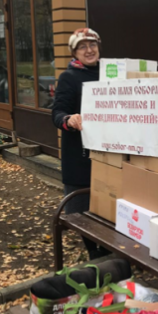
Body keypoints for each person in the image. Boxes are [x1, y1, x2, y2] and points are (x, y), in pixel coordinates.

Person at [52, 27, 110, 261]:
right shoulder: (69, 77)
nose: (89, 50)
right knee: (81, 207)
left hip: (108, 153)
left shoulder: (111, 74)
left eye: (92, 44)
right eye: (82, 46)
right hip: (80, 155)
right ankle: (93, 252)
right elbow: (57, 112)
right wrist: (69, 120)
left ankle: (108, 249)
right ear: (74, 52)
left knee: (108, 204)